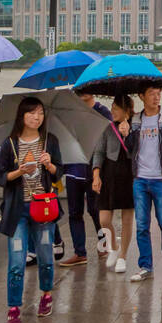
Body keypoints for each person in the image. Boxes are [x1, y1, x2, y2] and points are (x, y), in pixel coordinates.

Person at [0, 96, 62, 323]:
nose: (37, 117)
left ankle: (46, 295)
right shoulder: (9, 144)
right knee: (16, 260)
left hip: (43, 209)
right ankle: (14, 307)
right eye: (32, 113)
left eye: (41, 113)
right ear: (22, 116)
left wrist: (50, 165)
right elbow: (0, 177)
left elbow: (58, 174)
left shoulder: (49, 141)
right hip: (17, 212)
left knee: (45, 257)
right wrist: (19, 171)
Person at [127, 84, 162, 281]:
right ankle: (145, 265)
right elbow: (129, 150)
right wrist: (126, 133)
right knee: (142, 224)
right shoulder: (135, 120)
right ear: (141, 96)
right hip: (140, 179)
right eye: (151, 94)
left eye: (158, 94)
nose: (156, 97)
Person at [58, 91, 112, 267]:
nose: (82, 93)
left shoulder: (102, 112)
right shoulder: (70, 113)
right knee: (74, 212)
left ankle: (103, 243)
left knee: (95, 210)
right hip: (73, 168)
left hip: (94, 169)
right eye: (78, 89)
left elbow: (110, 138)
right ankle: (79, 252)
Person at [91, 94, 137, 274]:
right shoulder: (107, 127)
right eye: (112, 108)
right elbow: (99, 152)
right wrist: (96, 174)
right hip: (109, 174)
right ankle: (113, 246)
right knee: (103, 219)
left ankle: (123, 256)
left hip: (129, 175)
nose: (112, 111)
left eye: (116, 108)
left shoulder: (136, 127)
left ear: (126, 111)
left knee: (127, 219)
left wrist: (129, 135)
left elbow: (138, 152)